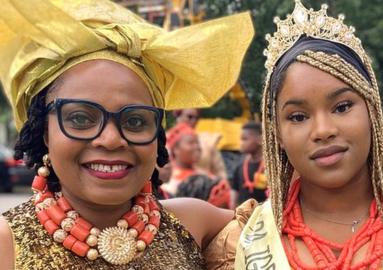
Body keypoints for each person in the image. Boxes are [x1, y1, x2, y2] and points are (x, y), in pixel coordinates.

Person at [207, 2, 383, 269]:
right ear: (276, 133)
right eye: (298, 117)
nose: (324, 130)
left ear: (372, 110)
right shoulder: (240, 244)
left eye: (342, 107)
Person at [0, 0, 253, 269]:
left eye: (134, 121)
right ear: (44, 132)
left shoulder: (196, 223)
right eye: (80, 118)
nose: (111, 140)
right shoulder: (7, 243)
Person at [174, 109, 228, 180]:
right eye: (189, 117)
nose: (194, 121)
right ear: (178, 117)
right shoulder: (166, 140)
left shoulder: (208, 141)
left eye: (196, 118)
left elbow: (220, 172)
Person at [163, 123, 210, 195]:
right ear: (176, 149)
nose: (197, 147)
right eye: (191, 143)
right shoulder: (169, 180)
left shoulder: (204, 173)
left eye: (197, 142)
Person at [230, 121, 267, 207]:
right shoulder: (239, 166)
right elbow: (233, 197)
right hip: (244, 218)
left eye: (244, 139)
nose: (241, 143)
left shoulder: (270, 167)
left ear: (260, 140)